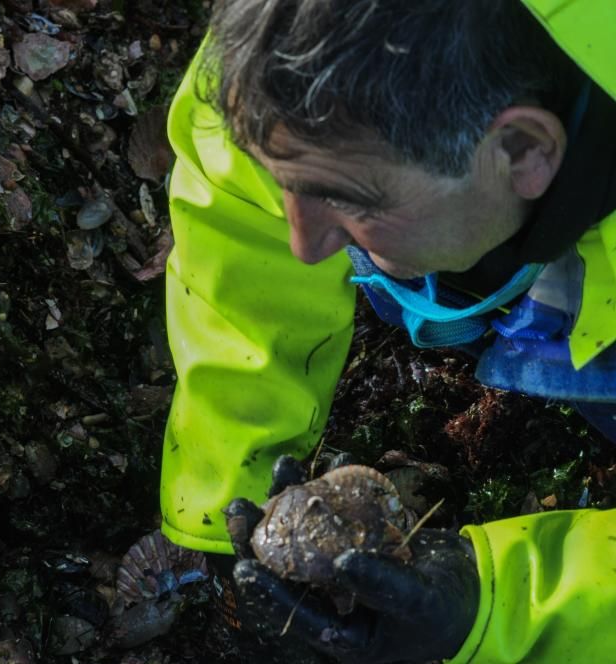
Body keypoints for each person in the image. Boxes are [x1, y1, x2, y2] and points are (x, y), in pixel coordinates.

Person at [160, 1, 616, 662]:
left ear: (523, 150)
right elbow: (238, 195)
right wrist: (228, 486)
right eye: (285, 181)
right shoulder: (294, 45)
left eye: (347, 199)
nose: (303, 245)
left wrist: (492, 608)